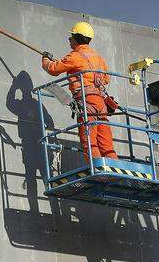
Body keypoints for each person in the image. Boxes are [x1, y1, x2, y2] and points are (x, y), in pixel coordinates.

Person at [41, 22, 118, 161]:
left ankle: (97, 172)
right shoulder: (98, 57)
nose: (69, 39)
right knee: (106, 143)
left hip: (86, 101)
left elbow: (53, 69)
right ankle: (113, 170)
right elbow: (106, 78)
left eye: (71, 37)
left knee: (89, 141)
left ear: (77, 38)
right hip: (101, 103)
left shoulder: (74, 56)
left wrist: (45, 60)